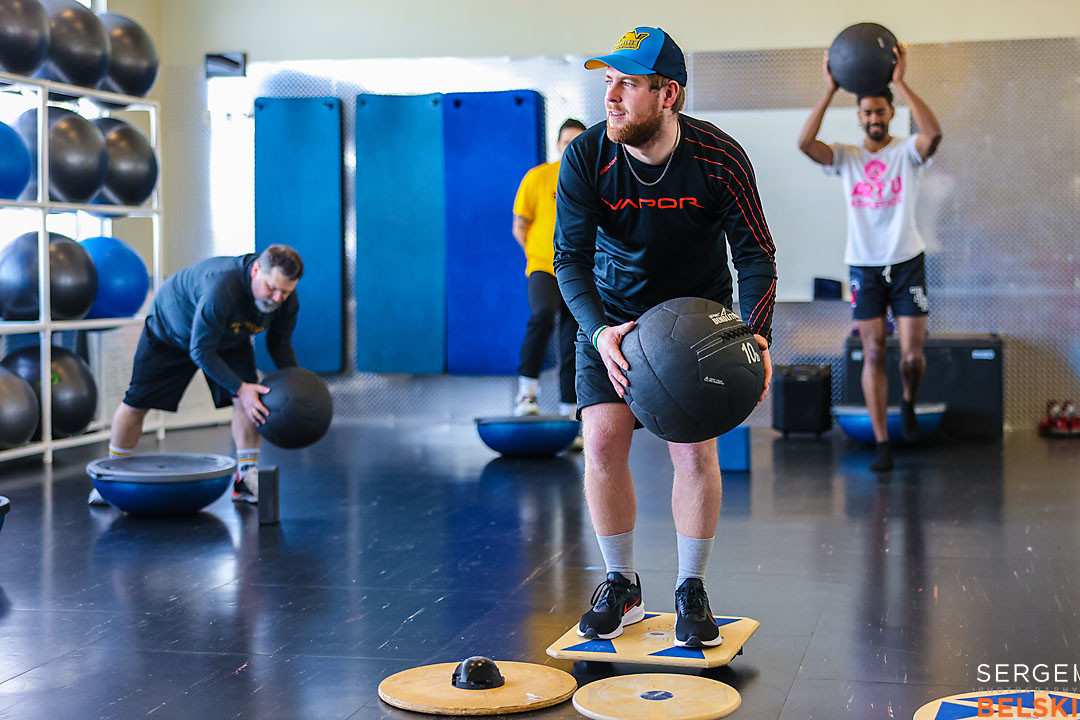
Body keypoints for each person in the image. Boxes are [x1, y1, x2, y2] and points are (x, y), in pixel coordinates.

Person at [554, 26, 776, 648]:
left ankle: (690, 586)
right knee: (599, 440)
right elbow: (567, 258)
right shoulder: (586, 157)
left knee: (693, 451)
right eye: (608, 83)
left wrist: (755, 336)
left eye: (629, 84)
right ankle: (620, 584)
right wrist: (598, 332)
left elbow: (756, 255)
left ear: (668, 94)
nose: (613, 97)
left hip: (696, 319)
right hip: (614, 316)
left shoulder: (719, 158)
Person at [798, 44, 942, 472]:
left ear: (890, 114)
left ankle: (910, 401)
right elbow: (805, 143)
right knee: (874, 352)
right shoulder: (846, 156)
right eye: (867, 113)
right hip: (863, 266)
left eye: (881, 112)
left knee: (911, 356)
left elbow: (933, 135)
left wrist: (900, 82)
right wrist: (828, 91)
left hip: (906, 262)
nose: (874, 119)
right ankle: (883, 443)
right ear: (858, 116)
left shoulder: (906, 153)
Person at [90, 245, 303, 506]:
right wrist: (240, 387)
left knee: (249, 402)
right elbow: (200, 350)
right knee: (136, 404)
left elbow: (279, 344)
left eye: (285, 291)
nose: (277, 298)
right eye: (272, 288)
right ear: (256, 270)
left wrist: (296, 385)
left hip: (228, 338)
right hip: (169, 332)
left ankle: (246, 478)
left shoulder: (285, 300)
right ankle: (111, 479)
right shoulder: (222, 287)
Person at [512, 118, 587, 418]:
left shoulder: (590, 178)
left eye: (578, 142)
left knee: (573, 338)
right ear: (558, 144)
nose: (571, 148)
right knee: (542, 315)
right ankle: (526, 395)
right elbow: (520, 226)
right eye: (567, 142)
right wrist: (535, 256)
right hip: (544, 267)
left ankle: (570, 411)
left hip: (580, 271)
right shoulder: (538, 177)